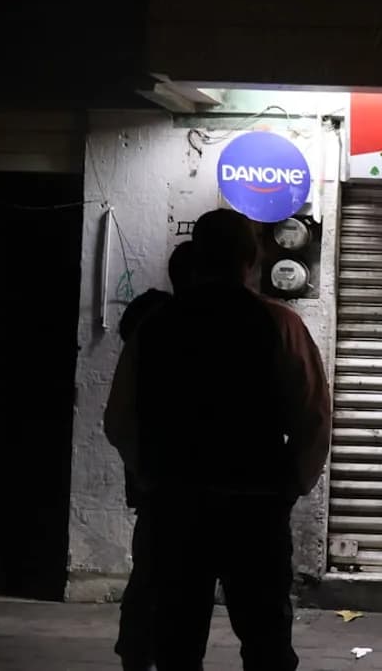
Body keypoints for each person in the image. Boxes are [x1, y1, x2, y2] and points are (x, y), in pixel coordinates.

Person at [104, 209, 332, 670]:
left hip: (174, 507)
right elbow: (313, 416)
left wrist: (150, 477)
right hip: (256, 508)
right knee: (266, 639)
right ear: (251, 257)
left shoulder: (156, 327)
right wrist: (291, 484)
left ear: (194, 255)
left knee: (176, 641)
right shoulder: (280, 324)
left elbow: (119, 419)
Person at [112, 240, 194, 671]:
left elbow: (119, 423)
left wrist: (144, 477)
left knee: (149, 582)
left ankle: (140, 654)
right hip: (179, 492)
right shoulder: (183, 341)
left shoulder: (149, 347)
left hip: (159, 493)